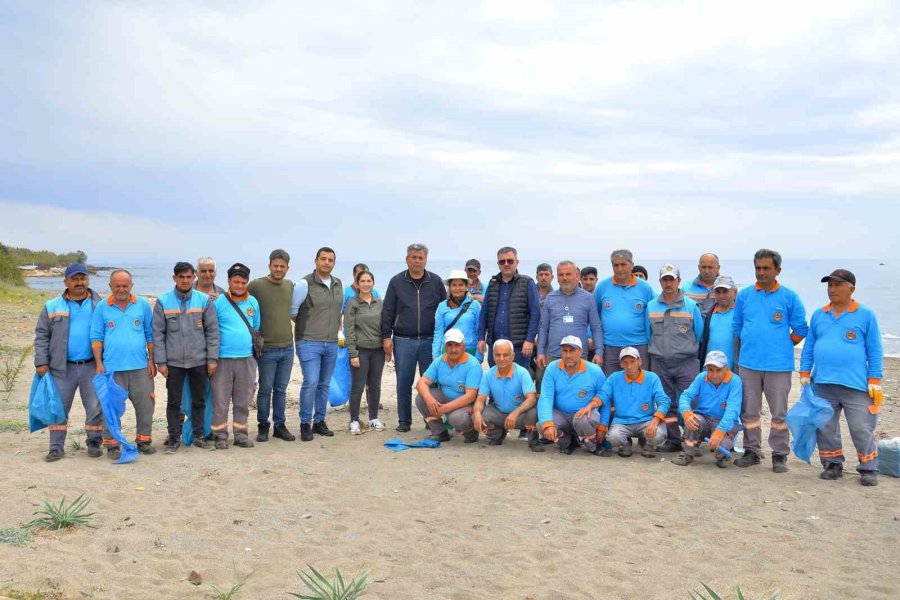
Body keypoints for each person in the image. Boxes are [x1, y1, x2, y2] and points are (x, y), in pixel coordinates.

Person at [800, 269, 883, 486]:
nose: (832, 289)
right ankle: (832, 464)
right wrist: (805, 371)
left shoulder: (865, 314)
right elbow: (810, 345)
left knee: (861, 428)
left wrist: (874, 379)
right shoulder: (820, 314)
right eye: (830, 285)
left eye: (837, 285)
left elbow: (874, 349)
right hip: (824, 383)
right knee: (826, 427)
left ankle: (868, 468)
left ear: (851, 288)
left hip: (855, 384)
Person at [732, 249, 808, 472]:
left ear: (778, 270)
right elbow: (737, 326)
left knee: (779, 414)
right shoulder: (745, 295)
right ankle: (752, 451)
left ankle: (779, 455)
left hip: (779, 366)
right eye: (758, 268)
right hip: (749, 365)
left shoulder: (789, 297)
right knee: (749, 412)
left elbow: (801, 329)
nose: (761, 272)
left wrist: (783, 345)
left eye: (766, 268)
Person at [34, 263, 104, 461]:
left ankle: (94, 443)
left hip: (91, 365)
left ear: (88, 280)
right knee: (58, 408)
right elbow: (41, 336)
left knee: (95, 407)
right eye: (74, 279)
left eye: (82, 278)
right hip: (61, 368)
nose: (79, 282)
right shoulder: (52, 306)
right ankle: (56, 447)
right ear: (66, 282)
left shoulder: (100, 305)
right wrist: (41, 361)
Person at [152, 262, 219, 452]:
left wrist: (212, 358)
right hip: (174, 363)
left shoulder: (203, 300)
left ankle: (199, 435)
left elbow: (212, 332)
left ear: (194, 277)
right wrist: (161, 362)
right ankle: (174, 438)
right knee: (174, 402)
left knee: (199, 400)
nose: (185, 280)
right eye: (181, 277)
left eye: (189, 277)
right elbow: (158, 334)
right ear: (174, 278)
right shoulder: (163, 301)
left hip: (199, 360)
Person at [90, 269, 156, 457]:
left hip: (141, 367)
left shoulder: (142, 305)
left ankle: (144, 440)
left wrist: (152, 360)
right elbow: (96, 337)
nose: (121, 289)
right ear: (110, 286)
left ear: (131, 286)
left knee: (146, 406)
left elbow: (150, 335)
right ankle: (112, 444)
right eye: (117, 286)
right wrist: (98, 364)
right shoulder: (102, 307)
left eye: (124, 286)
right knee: (111, 408)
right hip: (112, 368)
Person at [382, 243, 447, 432]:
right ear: (407, 259)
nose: (417, 261)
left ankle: (431, 419)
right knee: (404, 381)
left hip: (430, 341)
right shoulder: (396, 282)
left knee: (431, 384)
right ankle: (404, 421)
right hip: (403, 340)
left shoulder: (435, 281)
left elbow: (444, 311)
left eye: (420, 257)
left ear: (426, 259)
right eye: (413, 257)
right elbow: (387, 312)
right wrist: (386, 337)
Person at [646, 264, 703, 452]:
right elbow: (649, 334)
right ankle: (673, 440)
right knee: (666, 402)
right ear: (660, 281)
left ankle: (692, 441)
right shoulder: (651, 306)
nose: (668, 283)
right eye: (665, 279)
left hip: (686, 363)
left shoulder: (691, 306)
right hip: (660, 363)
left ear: (678, 281)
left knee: (691, 402)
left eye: (672, 279)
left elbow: (699, 334)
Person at [294, 247, 343, 441]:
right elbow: (292, 312)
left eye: (330, 260)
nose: (326, 262)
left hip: (331, 342)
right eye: (323, 259)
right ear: (316, 261)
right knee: (311, 382)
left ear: (334, 263)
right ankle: (305, 423)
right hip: (308, 341)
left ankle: (319, 421)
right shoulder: (304, 284)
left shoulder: (338, 283)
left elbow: (339, 311)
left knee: (324, 384)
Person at [585, 346, 669, 458]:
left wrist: (655, 421)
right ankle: (625, 444)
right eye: (625, 362)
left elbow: (664, 401)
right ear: (621, 364)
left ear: (640, 361)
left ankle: (649, 444)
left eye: (632, 361)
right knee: (613, 437)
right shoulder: (614, 378)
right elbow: (603, 395)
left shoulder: (652, 378)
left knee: (659, 435)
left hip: (647, 420)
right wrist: (591, 405)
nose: (629, 366)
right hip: (622, 421)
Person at [248, 249, 296, 442]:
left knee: (281, 390)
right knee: (265, 389)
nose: (278, 269)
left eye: (282, 266)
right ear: (269, 265)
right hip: (266, 348)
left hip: (287, 347)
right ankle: (262, 426)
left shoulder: (290, 286)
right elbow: (239, 298)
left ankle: (279, 425)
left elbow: (296, 311)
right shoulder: (257, 285)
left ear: (287, 268)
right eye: (275, 265)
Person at [211, 263, 260, 449]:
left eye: (243, 282)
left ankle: (240, 435)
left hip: (247, 359)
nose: (239, 285)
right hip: (222, 360)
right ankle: (220, 436)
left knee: (243, 400)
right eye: (236, 282)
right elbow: (212, 330)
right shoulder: (218, 302)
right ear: (229, 281)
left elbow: (256, 327)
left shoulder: (253, 302)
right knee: (221, 401)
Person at [537, 336, 608, 455]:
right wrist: (547, 424)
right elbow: (546, 397)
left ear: (581, 351)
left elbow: (605, 397)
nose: (568, 355)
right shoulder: (552, 368)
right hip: (561, 414)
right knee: (542, 426)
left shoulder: (595, 370)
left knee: (585, 420)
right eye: (565, 351)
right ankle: (568, 442)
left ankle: (593, 445)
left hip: (583, 416)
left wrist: (602, 427)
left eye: (572, 350)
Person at [672, 350, 742, 468]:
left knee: (721, 448)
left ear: (726, 368)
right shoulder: (701, 377)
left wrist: (720, 431)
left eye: (718, 370)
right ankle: (688, 452)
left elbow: (732, 410)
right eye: (710, 370)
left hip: (723, 421)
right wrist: (686, 413)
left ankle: (723, 455)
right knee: (692, 420)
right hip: (703, 418)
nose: (714, 375)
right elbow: (685, 396)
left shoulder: (735, 381)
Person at [476, 246, 540, 370]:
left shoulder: (527, 283)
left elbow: (535, 314)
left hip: (519, 347)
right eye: (502, 261)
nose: (506, 264)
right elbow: (484, 313)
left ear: (517, 262)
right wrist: (480, 338)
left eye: (510, 261)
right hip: (495, 345)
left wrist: (530, 340)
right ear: (498, 264)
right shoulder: (492, 283)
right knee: (496, 381)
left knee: (518, 382)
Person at [414, 329, 482, 443]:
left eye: (457, 345)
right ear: (445, 346)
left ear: (464, 346)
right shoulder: (440, 361)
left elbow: (470, 396)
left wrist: (444, 409)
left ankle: (471, 432)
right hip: (446, 397)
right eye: (449, 345)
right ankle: (440, 432)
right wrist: (429, 399)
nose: (453, 349)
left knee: (456, 418)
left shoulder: (473, 364)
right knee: (421, 399)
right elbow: (421, 382)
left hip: (467, 403)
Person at [472, 339, 541, 451]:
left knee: (533, 413)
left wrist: (515, 413)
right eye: (498, 355)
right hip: (500, 412)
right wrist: (476, 413)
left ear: (513, 356)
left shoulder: (522, 372)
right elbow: (480, 399)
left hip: (520, 415)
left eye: (506, 355)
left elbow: (531, 399)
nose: (502, 359)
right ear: (493, 357)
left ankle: (533, 440)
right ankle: (497, 435)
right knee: (483, 413)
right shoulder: (488, 374)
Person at [594, 249, 655, 375]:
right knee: (611, 384)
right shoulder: (602, 286)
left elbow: (653, 316)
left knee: (639, 383)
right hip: (610, 346)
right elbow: (595, 316)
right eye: (616, 265)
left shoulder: (645, 288)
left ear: (631, 265)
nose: (620, 269)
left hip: (639, 345)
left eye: (623, 264)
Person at [536, 261, 603, 368]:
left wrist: (599, 352)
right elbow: (543, 328)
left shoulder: (588, 298)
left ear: (577, 276)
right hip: (554, 356)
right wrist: (540, 352)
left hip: (580, 356)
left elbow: (596, 328)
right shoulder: (550, 298)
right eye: (561, 275)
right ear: (557, 277)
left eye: (568, 274)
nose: (564, 278)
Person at [344, 270, 386, 435]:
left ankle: (373, 418)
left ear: (373, 283)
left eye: (369, 281)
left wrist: (387, 347)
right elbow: (349, 330)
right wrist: (353, 354)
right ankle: (354, 420)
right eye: (363, 281)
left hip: (378, 351)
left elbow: (385, 326)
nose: (366, 284)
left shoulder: (379, 303)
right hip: (360, 351)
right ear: (357, 284)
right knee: (358, 386)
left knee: (375, 386)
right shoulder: (353, 304)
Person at [433, 270, 481, 360]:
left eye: (461, 285)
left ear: (466, 286)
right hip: (448, 350)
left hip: (470, 350)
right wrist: (436, 356)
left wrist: (479, 356)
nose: (457, 288)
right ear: (450, 287)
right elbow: (438, 333)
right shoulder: (442, 306)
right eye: (454, 285)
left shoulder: (475, 305)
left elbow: (479, 331)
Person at [700, 275, 738, 369]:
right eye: (718, 292)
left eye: (725, 291)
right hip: (709, 371)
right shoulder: (706, 315)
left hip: (734, 372)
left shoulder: (741, 315)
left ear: (735, 292)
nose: (721, 296)